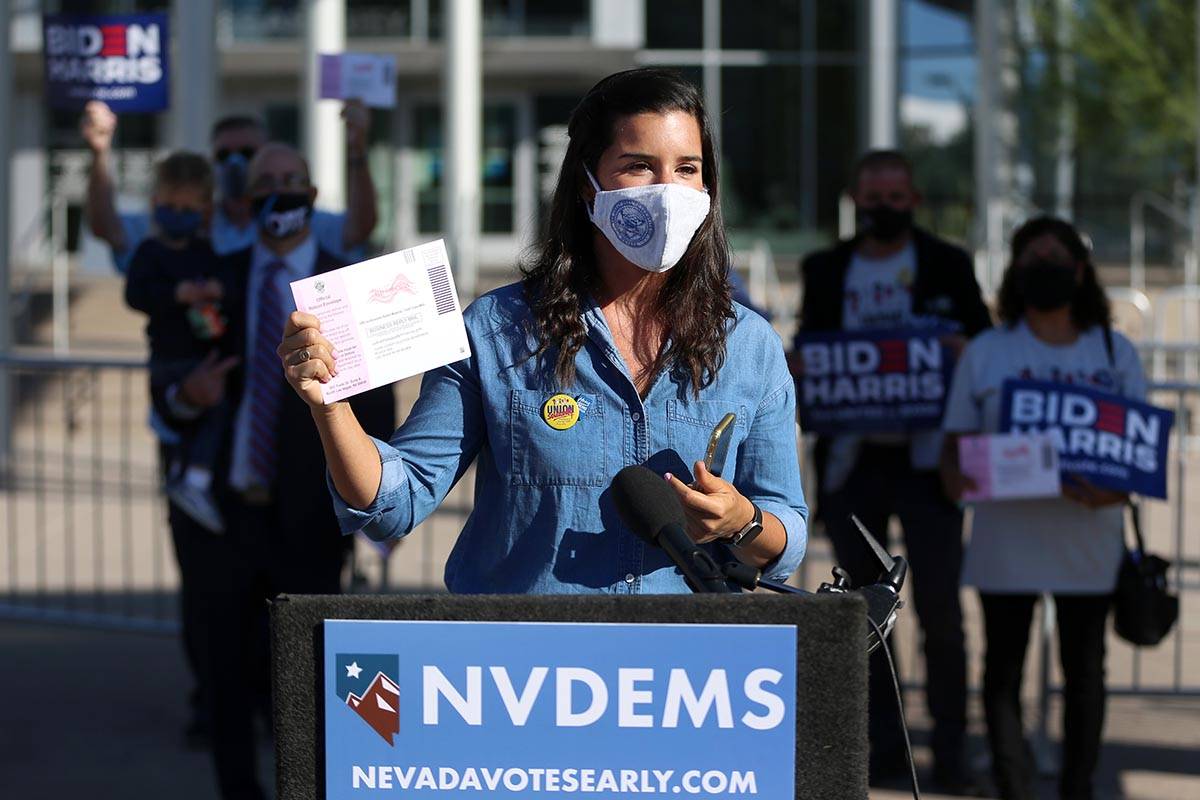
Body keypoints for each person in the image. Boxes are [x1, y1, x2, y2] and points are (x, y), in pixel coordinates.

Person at [277, 67, 807, 594]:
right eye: (640, 166)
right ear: (586, 184)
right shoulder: (496, 330)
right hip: (526, 666)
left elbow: (786, 535)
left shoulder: (749, 345)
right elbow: (395, 503)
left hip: (686, 669)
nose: (668, 191)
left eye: (687, 168)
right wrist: (331, 407)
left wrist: (743, 520)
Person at [153, 142, 396, 800]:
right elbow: (167, 378)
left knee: (306, 673)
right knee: (223, 671)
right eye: (267, 183)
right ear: (244, 200)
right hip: (219, 514)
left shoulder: (347, 289)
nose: (280, 195)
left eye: (293, 182)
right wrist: (184, 398)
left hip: (310, 514)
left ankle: (307, 787)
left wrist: (384, 501)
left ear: (312, 198)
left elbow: (376, 406)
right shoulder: (215, 278)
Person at [792, 149, 991, 789]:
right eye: (873, 195)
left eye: (895, 196)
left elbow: (983, 350)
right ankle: (881, 751)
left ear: (914, 200)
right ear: (856, 198)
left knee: (940, 610)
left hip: (931, 464)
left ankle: (954, 751)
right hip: (854, 464)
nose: (884, 206)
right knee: (863, 614)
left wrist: (961, 348)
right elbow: (809, 351)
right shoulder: (825, 268)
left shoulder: (948, 264)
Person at [940, 216, 1141, 800]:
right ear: (1015, 274)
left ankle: (1079, 787)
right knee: (1002, 672)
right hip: (1007, 541)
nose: (1044, 269)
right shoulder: (989, 351)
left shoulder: (1114, 351)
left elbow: (1137, 452)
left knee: (1085, 673)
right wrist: (960, 480)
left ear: (1081, 272)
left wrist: (1115, 488)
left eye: (1056, 258)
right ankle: (1013, 785)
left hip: (1087, 541)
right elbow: (956, 445)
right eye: (1033, 259)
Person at [80, 99, 378, 273]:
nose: (235, 164)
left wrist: (357, 149)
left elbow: (358, 228)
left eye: (247, 154)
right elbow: (109, 228)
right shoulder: (191, 219)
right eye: (223, 155)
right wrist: (100, 151)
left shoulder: (292, 221)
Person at [125, 152, 232, 533]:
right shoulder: (149, 252)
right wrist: (176, 293)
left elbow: (227, 286)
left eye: (188, 207)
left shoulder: (206, 252)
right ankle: (191, 480)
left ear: (205, 209)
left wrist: (215, 290)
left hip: (203, 354)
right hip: (168, 360)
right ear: (155, 205)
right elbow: (135, 295)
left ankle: (194, 477)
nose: (178, 214)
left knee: (215, 415)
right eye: (170, 206)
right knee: (192, 417)